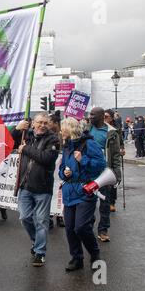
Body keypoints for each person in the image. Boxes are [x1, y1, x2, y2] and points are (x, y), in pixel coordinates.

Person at [59, 117, 106, 272]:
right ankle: (76, 258)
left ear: (70, 129)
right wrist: (65, 173)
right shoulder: (67, 146)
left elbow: (100, 166)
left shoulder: (89, 144)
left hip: (85, 190)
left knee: (81, 227)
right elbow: (61, 169)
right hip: (69, 191)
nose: (60, 132)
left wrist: (82, 159)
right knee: (70, 228)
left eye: (63, 128)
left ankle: (94, 253)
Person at [15, 112, 60, 267]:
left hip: (43, 188)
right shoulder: (25, 135)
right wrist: (16, 129)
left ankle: (40, 252)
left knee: (41, 221)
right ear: (33, 123)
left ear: (48, 125)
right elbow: (7, 141)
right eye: (39, 122)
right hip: (25, 186)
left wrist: (25, 148)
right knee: (25, 217)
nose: (42, 125)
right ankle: (36, 241)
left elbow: (45, 158)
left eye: (45, 123)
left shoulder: (53, 139)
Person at [88, 107, 122, 242]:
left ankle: (103, 230)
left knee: (105, 202)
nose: (90, 117)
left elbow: (115, 155)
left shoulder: (112, 133)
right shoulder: (86, 128)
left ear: (102, 116)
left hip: (104, 172)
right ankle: (88, 227)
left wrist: (116, 173)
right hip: (88, 171)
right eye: (90, 114)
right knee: (88, 201)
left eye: (93, 115)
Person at [103, 109, 125, 213]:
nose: (104, 119)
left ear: (111, 118)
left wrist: (122, 148)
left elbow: (120, 141)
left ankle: (112, 202)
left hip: (111, 156)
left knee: (112, 181)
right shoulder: (99, 128)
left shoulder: (116, 129)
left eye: (106, 116)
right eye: (103, 116)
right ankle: (103, 200)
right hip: (102, 159)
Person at [48, 111, 65, 228]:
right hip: (50, 167)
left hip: (61, 167)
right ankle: (49, 217)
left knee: (60, 192)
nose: (48, 124)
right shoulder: (47, 134)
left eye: (49, 122)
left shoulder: (63, 134)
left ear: (55, 123)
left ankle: (59, 216)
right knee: (49, 191)